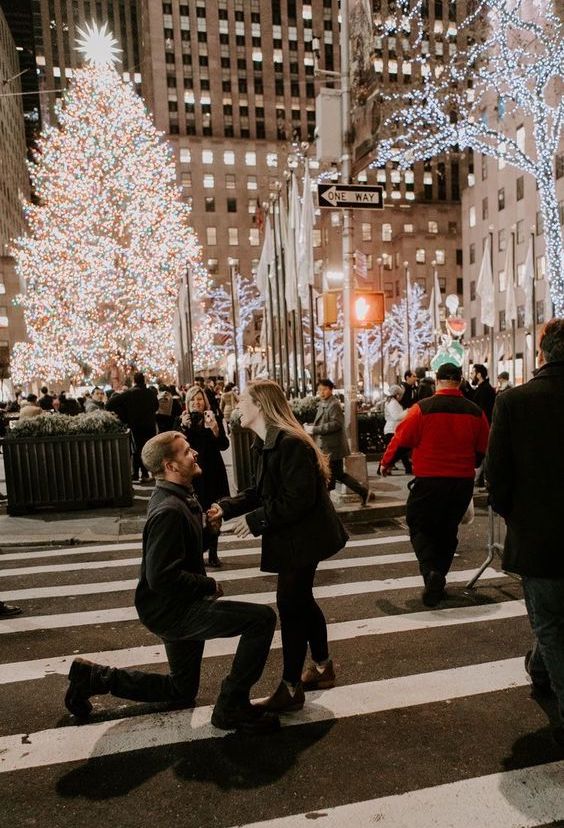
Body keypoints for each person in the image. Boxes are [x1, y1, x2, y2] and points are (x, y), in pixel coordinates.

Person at [64, 431, 279, 734]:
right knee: (261, 620)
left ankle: (96, 678)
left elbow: (183, 551)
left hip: (170, 605)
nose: (195, 454)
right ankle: (232, 705)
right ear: (171, 465)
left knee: (181, 690)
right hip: (173, 610)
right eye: (186, 451)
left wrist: (209, 532)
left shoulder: (180, 497)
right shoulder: (169, 509)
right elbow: (161, 576)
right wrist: (207, 585)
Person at [208, 380, 349, 714]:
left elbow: (297, 499)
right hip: (295, 535)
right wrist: (226, 508)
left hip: (304, 537)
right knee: (301, 601)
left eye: (242, 401)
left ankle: (291, 687)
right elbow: (262, 491)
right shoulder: (271, 441)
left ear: (260, 405)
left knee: (290, 606)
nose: (236, 407)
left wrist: (255, 521)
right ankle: (322, 666)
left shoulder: (289, 443)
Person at [487, 318, 564, 749]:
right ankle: (539, 670)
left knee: (551, 625)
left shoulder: (515, 402)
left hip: (539, 537)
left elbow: (496, 478)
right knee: (550, 626)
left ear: (542, 352)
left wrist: (516, 515)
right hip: (540, 534)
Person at [381, 363, 489, 607]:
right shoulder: (475, 411)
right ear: (460, 381)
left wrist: (385, 464)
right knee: (448, 530)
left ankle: (431, 572)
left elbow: (401, 440)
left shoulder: (422, 409)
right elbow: (483, 447)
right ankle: (438, 575)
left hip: (429, 481)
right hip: (461, 482)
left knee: (419, 525)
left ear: (437, 381)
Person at [176, 385, 230, 568]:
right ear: (187, 403)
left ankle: (213, 553)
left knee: (214, 514)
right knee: (195, 515)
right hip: (193, 474)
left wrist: (215, 429)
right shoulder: (183, 421)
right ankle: (197, 553)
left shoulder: (213, 417)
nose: (196, 403)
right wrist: (183, 428)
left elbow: (224, 445)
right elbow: (176, 447)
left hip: (214, 472)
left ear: (204, 401)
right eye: (192, 400)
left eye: (199, 399)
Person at [305, 378, 376, 506]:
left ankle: (325, 503)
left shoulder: (333, 404)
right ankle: (362, 492)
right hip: (327, 446)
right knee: (336, 474)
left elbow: (337, 424)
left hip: (332, 447)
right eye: (320, 389)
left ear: (331, 390)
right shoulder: (324, 402)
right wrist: (310, 426)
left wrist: (314, 429)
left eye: (324, 389)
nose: (321, 392)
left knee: (329, 475)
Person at [106, 371, 158, 482]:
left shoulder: (129, 393)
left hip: (135, 426)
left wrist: (124, 414)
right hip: (149, 426)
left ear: (134, 381)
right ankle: (146, 473)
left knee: (137, 450)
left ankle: (136, 474)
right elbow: (156, 406)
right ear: (144, 380)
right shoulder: (150, 393)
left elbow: (109, 404)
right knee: (149, 449)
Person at [382, 385, 411, 474]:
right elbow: (397, 416)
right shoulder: (393, 403)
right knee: (399, 451)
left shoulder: (391, 402)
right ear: (397, 394)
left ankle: (408, 468)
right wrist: (407, 412)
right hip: (392, 429)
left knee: (399, 451)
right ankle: (384, 468)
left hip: (392, 429)